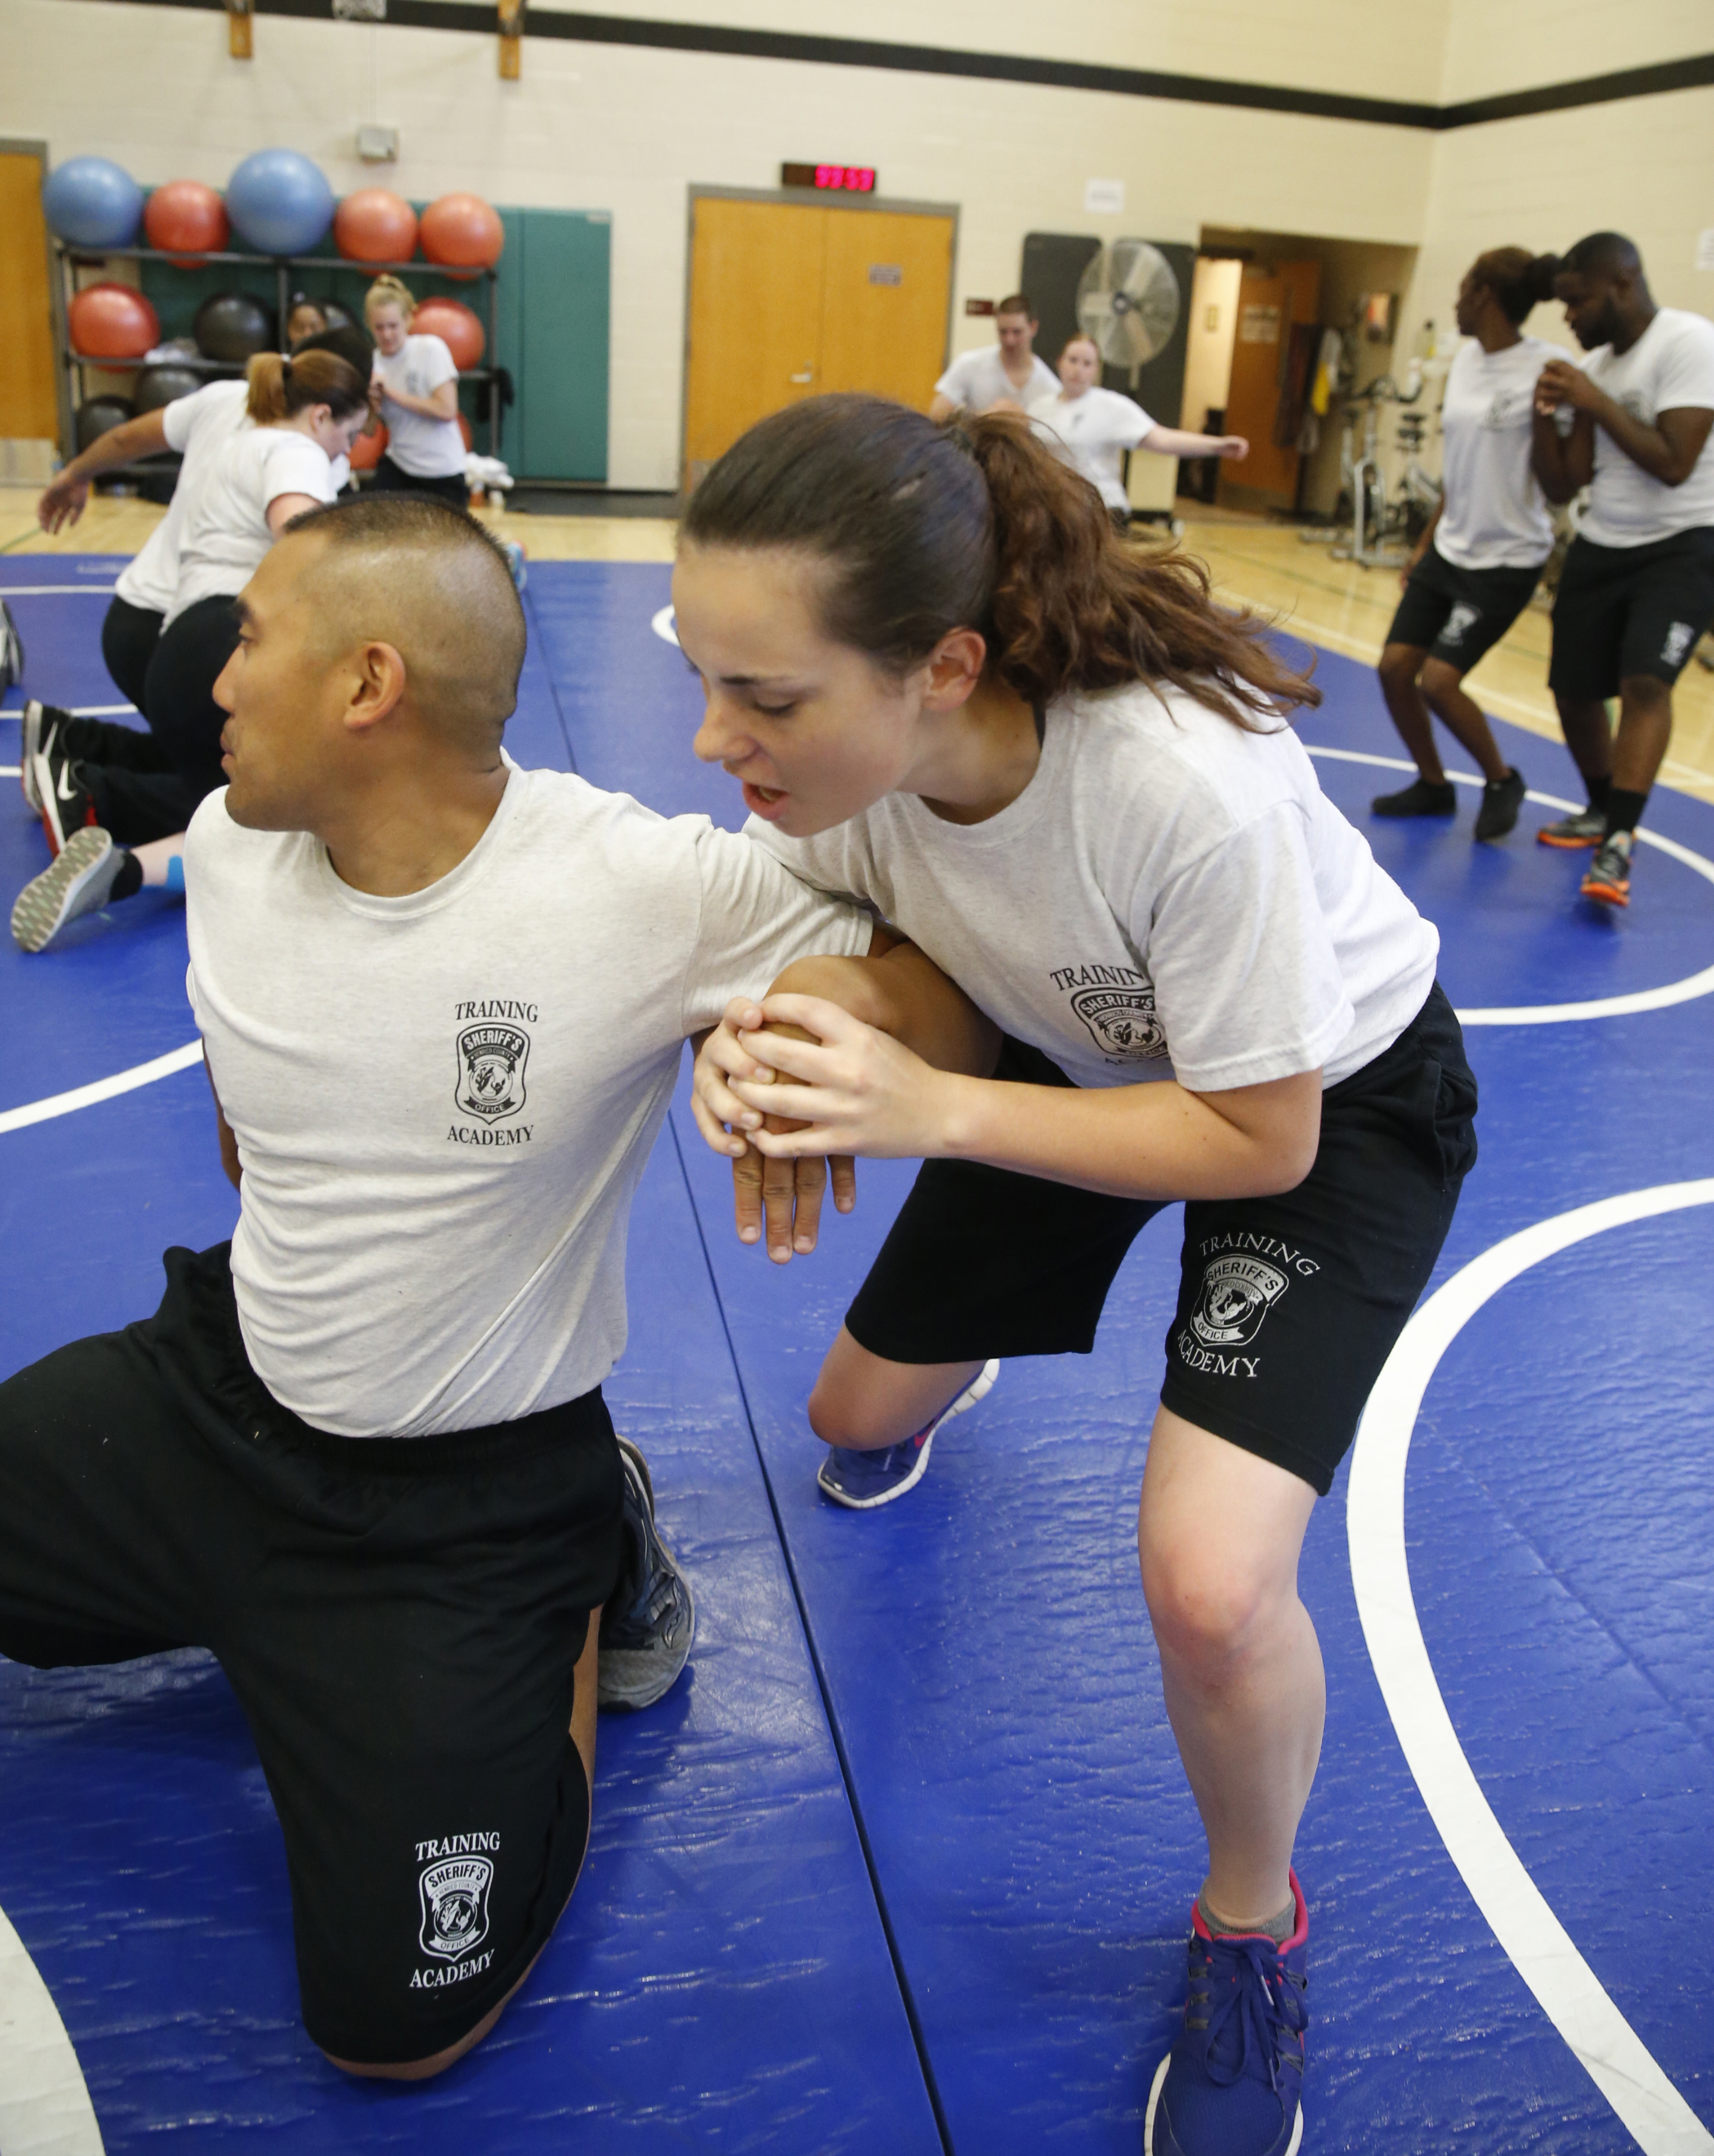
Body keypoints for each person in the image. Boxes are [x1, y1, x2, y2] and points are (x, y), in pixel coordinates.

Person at [0, 492, 985, 2076]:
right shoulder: (245, 848)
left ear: (369, 684)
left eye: (251, 642)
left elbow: (940, 985)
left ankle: (589, 1563)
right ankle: (266, 1618)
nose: (216, 682)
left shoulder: (628, 883)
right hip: (218, 1396)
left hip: (465, 1499)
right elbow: (255, 1129)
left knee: (403, 2034)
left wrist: (798, 1018)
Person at [674, 395, 1477, 2156]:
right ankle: (951, 1358)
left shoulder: (1181, 790)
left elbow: (1257, 1137)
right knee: (848, 1416)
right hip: (1066, 1055)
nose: (719, 734)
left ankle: (1250, 1923)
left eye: (770, 696)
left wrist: (930, 1101)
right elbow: (913, 958)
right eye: (704, 674)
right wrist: (804, 1029)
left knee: (1205, 1583)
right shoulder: (852, 776)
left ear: (943, 663)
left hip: (1318, 1107)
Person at [13, 350, 369, 953]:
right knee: (277, 805)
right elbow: (302, 540)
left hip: (174, 646)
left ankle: (86, 776)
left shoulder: (237, 430)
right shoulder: (296, 452)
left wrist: (76, 472)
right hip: (222, 643)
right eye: (350, 435)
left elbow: (128, 437)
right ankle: (104, 819)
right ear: (321, 415)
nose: (347, 452)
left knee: (228, 781)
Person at [1530, 232, 1714, 908]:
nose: (1569, 316)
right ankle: (1603, 807)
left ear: (1623, 285)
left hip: (1684, 542)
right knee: (1574, 691)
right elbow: (1566, 482)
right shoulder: (1596, 367)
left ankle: (1620, 842)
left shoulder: (1689, 344)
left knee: (1644, 684)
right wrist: (1545, 419)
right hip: (1604, 541)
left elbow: (1673, 463)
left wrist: (1594, 399)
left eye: (1577, 300)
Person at [1370, 249, 1571, 842]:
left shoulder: (1550, 367)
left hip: (1507, 559)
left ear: (1483, 295)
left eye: (1461, 290)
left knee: (1438, 680)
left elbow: (1565, 474)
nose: (1454, 302)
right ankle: (1433, 785)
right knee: (1393, 668)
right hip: (1448, 548)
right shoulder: (1463, 362)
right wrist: (1424, 545)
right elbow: (1460, 470)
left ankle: (1501, 779)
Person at [1036, 332, 1249, 532]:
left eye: (1087, 364)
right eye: (1073, 360)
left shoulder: (1112, 406)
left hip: (1102, 512)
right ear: (1060, 362)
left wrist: (1217, 445)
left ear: (1096, 369)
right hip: (1055, 510)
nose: (1078, 370)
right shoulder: (1039, 407)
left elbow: (1163, 439)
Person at [364, 274, 470, 507]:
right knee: (373, 525)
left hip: (442, 470)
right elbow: (369, 430)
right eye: (379, 328)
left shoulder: (429, 349)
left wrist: (391, 392)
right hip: (399, 464)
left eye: (393, 326)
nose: (387, 335)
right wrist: (373, 403)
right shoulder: (373, 363)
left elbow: (446, 410)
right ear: (369, 325)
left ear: (408, 320)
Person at [931, 295, 1058, 422]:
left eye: (1017, 332)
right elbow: (937, 414)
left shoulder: (1049, 387)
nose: (1010, 340)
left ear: (1033, 328)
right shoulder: (970, 364)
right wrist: (986, 416)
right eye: (1003, 332)